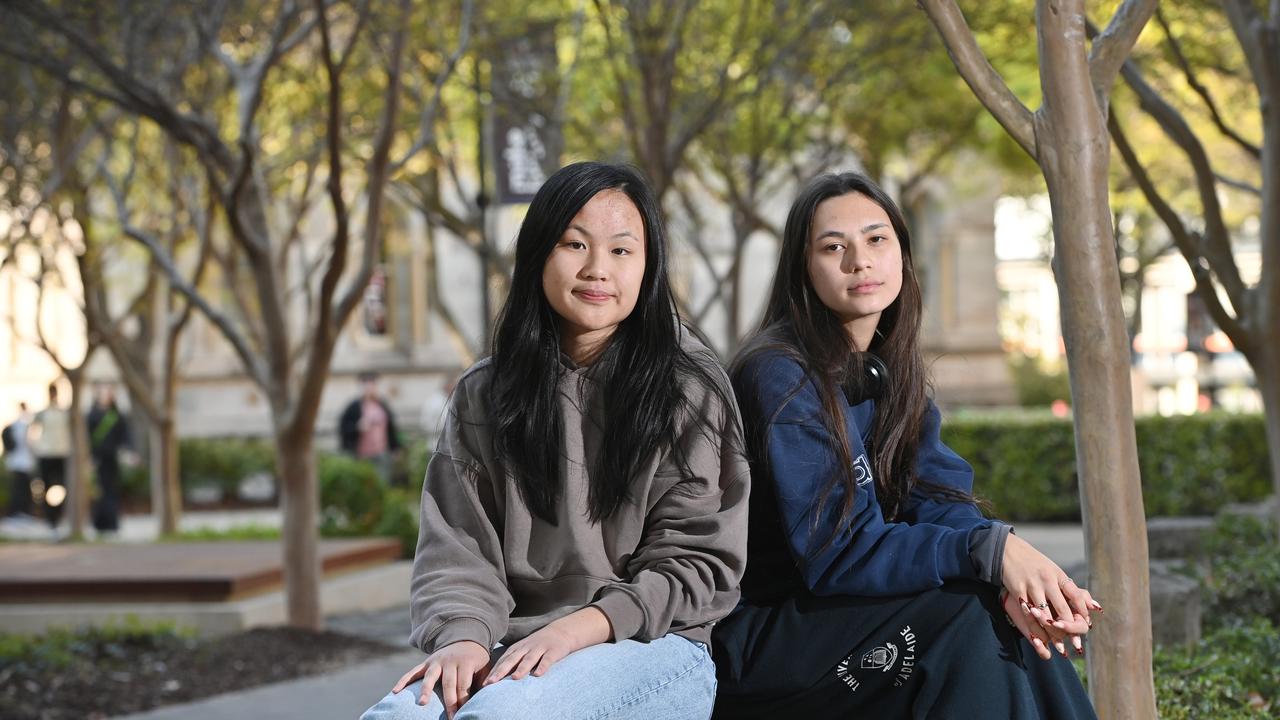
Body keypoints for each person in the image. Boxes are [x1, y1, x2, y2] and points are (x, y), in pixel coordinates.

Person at [361, 161, 749, 720]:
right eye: (574, 244)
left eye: (621, 251)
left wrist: (579, 629)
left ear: (648, 267)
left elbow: (697, 562)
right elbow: (458, 545)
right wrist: (463, 637)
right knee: (395, 717)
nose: (597, 269)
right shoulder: (486, 392)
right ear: (539, 253)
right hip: (515, 643)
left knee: (501, 717)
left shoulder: (687, 388)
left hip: (653, 644)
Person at [711, 172, 1099, 719]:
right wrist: (987, 554)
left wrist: (1005, 565)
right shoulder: (780, 373)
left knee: (999, 606)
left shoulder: (886, 372)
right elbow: (838, 552)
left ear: (902, 253)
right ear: (804, 267)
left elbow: (939, 496)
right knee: (964, 616)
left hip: (839, 617)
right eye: (832, 247)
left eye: (876, 239)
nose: (859, 261)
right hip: (763, 640)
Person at [340, 371, 403, 484]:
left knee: (383, 482)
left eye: (373, 384)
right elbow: (343, 428)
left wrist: (395, 447)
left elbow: (391, 427)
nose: (370, 388)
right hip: (362, 455)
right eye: (367, 385)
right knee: (365, 484)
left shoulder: (382, 404)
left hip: (382, 452)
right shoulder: (354, 406)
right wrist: (357, 427)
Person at [86, 383, 133, 533]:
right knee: (99, 491)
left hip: (112, 458)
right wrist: (89, 458)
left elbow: (125, 435)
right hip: (98, 459)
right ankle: (100, 523)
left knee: (111, 489)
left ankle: (112, 523)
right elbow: (86, 438)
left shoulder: (116, 415)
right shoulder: (92, 415)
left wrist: (128, 451)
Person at [33, 383, 72, 528]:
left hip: (60, 453)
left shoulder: (64, 413)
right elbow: (32, 428)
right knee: (46, 487)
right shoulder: (42, 413)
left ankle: (57, 515)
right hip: (45, 453)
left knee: (61, 486)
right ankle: (50, 518)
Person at [2, 402, 37, 518]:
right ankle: (18, 512)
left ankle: (21, 511)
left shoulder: (19, 424)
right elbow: (27, 443)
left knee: (22, 487)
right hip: (20, 462)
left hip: (20, 462)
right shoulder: (22, 424)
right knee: (20, 488)